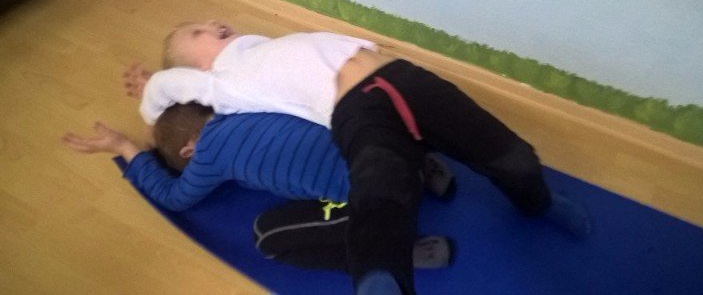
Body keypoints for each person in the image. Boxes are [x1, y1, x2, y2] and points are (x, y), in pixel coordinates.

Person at [139, 20, 591, 295]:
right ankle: (379, 277)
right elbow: (163, 88)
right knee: (379, 190)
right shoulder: (221, 85)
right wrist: (151, 106)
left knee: (506, 151)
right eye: (197, 33)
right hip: (356, 109)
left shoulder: (262, 50)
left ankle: (538, 201)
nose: (212, 24)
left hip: (401, 77)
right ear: (193, 71)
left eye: (207, 22)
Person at [62, 102, 455, 271]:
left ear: (189, 150)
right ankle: (425, 167)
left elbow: (173, 197)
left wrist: (125, 147)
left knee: (267, 237)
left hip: (381, 202)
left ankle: (393, 253)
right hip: (395, 147)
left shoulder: (207, 154)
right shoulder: (242, 102)